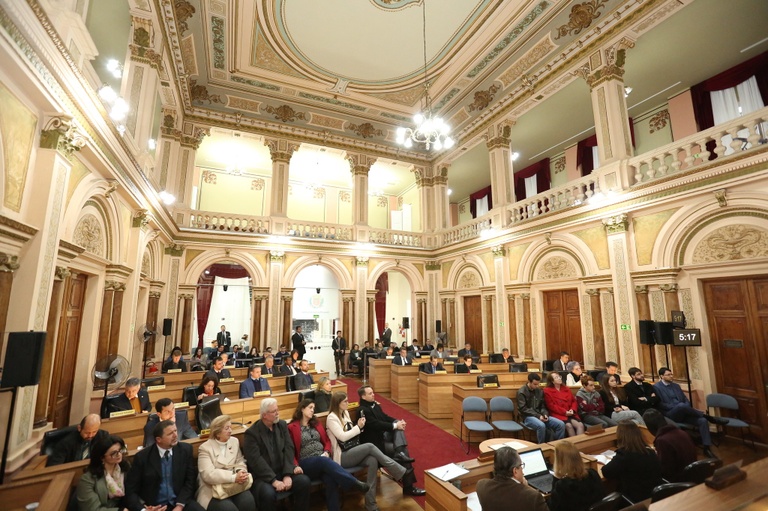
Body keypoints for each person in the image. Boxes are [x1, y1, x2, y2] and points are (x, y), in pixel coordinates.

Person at [326, 392, 408, 511]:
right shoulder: (331, 417)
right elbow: (342, 437)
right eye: (345, 401)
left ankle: (371, 504)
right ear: (337, 404)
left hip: (352, 450)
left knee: (373, 460)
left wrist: (360, 426)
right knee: (370, 446)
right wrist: (358, 427)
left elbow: (352, 432)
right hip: (342, 456)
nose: (348, 403)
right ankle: (395, 468)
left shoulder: (345, 413)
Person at [286, 400, 369, 511]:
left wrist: (327, 452)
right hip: (305, 464)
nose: (312, 410)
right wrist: (295, 465)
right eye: (310, 407)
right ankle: (353, 482)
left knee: (331, 479)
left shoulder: (316, 423)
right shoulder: (292, 427)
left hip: (322, 461)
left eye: (314, 408)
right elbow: (289, 450)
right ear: (302, 409)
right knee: (323, 461)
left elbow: (327, 441)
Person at [243, 398, 310, 511]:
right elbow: (256, 461)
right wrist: (273, 481)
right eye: (274, 411)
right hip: (263, 477)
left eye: (277, 409)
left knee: (304, 481)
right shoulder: (251, 434)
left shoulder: (281, 425)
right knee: (267, 494)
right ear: (264, 415)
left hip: (283, 471)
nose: (277, 413)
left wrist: (287, 474)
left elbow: (289, 449)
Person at [357, 385, 425, 496]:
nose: (373, 394)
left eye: (373, 392)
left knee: (398, 430)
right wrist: (395, 425)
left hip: (382, 438)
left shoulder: (375, 405)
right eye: (370, 393)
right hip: (374, 445)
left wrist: (397, 422)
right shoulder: (362, 410)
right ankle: (408, 487)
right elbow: (376, 425)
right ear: (363, 397)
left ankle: (400, 452)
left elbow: (385, 417)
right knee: (404, 452)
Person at [124, 420, 205, 511]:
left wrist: (180, 505)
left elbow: (190, 481)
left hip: (181, 502)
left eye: (175, 431)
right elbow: (131, 490)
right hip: (155, 507)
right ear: (159, 439)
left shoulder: (185, 450)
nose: (175, 435)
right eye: (170, 433)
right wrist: (143, 509)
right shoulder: (142, 457)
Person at [654, 367, 726, 458]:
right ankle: (710, 417)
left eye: (671, 374)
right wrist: (679, 407)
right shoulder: (656, 387)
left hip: (684, 412)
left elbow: (685, 400)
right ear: (661, 376)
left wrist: (685, 406)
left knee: (702, 421)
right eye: (668, 375)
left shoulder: (676, 386)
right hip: (671, 414)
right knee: (681, 406)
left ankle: (707, 448)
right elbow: (661, 404)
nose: (671, 376)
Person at [196, 414, 256, 511]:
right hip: (213, 489)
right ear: (217, 433)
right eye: (227, 428)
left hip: (235, 485)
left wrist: (241, 471)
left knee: (248, 502)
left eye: (230, 427)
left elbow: (240, 460)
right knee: (229, 509)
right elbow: (208, 475)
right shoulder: (205, 448)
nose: (230, 431)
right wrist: (233, 477)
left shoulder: (234, 441)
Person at [601, 420, 664, 502]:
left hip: (634, 501)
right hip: (655, 497)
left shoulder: (624, 456)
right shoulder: (650, 451)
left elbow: (606, 472)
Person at [476, 446, 547, 511]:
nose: (522, 471)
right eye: (521, 466)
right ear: (515, 471)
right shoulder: (533, 497)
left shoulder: (481, 486)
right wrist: (526, 487)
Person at [76, 434, 130, 511]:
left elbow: (134, 491)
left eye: (120, 450)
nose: (119, 455)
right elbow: (92, 509)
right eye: (114, 453)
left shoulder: (125, 468)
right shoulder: (87, 479)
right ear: (102, 458)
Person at [643, 408, 698, 482]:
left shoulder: (662, 440)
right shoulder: (682, 432)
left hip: (679, 481)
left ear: (650, 428)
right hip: (693, 475)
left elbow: (666, 469)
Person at [548, 441, 605, 511]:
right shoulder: (593, 474)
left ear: (559, 461)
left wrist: (555, 479)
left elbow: (552, 508)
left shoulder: (562, 485)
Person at [517, 372, 565, 443]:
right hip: (527, 417)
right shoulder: (521, 392)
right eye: (535, 384)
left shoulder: (539, 391)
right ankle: (542, 446)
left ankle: (556, 444)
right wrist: (538, 416)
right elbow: (523, 409)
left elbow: (542, 406)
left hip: (540, 415)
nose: (537, 386)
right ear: (529, 382)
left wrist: (545, 414)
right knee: (541, 426)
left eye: (538, 384)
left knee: (561, 424)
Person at [543, 372, 584, 437]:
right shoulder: (547, 391)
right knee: (569, 426)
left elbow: (573, 401)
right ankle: (573, 445)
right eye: (556, 377)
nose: (559, 378)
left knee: (580, 425)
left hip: (570, 412)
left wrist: (572, 410)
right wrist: (565, 412)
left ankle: (581, 444)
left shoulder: (566, 388)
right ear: (552, 381)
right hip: (559, 414)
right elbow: (551, 406)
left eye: (559, 376)